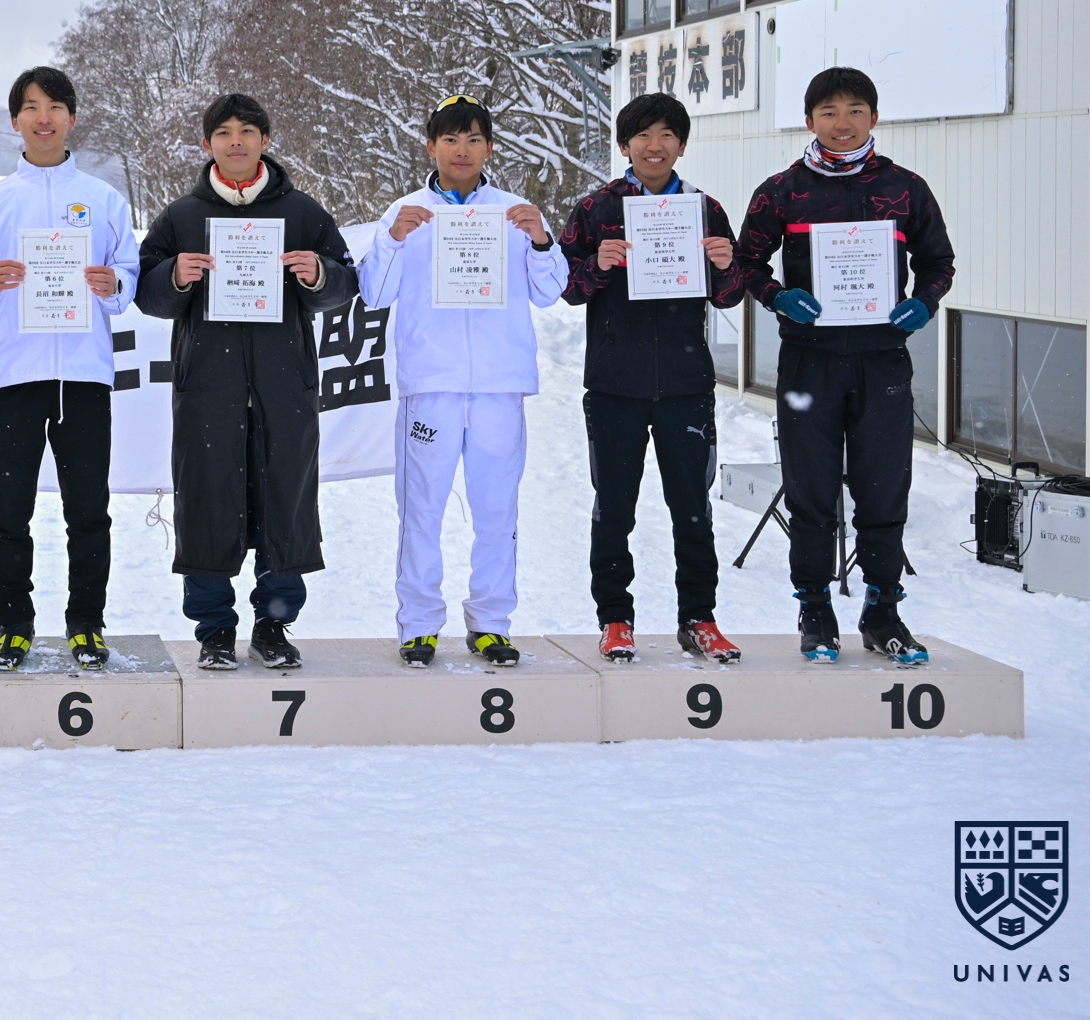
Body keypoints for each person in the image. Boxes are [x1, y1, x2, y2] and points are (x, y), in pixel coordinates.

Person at [735, 66, 953, 665]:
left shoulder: (905, 188)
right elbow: (747, 262)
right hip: (810, 362)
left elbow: (939, 262)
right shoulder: (782, 191)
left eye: (855, 110)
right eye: (828, 112)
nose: (842, 123)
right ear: (809, 120)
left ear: (874, 117)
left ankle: (883, 611)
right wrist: (778, 296)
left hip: (883, 361)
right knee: (811, 491)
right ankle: (815, 610)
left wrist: (923, 302)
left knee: (883, 490)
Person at [136, 93, 356, 671]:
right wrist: (174, 275)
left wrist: (319, 274)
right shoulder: (182, 216)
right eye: (224, 132)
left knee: (285, 496)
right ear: (207, 143)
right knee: (207, 495)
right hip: (208, 384)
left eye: (247, 131)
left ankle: (274, 623)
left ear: (265, 141)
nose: (236, 141)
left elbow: (344, 280)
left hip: (284, 383)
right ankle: (213, 628)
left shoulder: (302, 212)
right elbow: (146, 292)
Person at [359, 96, 567, 669]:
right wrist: (393, 239)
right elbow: (374, 293)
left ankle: (491, 623)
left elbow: (551, 291)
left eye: (474, 139)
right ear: (431, 146)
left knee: (497, 510)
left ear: (490, 148)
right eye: (450, 139)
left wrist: (542, 241)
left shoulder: (515, 213)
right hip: (432, 386)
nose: (462, 150)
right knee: (421, 510)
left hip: (499, 386)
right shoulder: (406, 212)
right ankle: (419, 624)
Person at [0, 66, 140, 669]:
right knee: (9, 511)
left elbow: (128, 278)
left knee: (88, 510)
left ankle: (86, 623)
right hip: (15, 375)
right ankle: (12, 623)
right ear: (15, 120)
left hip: (85, 375)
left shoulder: (104, 199)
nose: (44, 117)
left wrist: (113, 285)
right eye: (32, 107)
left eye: (56, 106)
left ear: (72, 119)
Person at [556, 92, 747, 665]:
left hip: (686, 384)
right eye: (642, 134)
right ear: (625, 145)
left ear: (681, 145)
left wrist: (724, 266)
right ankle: (615, 618)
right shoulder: (597, 209)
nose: (654, 145)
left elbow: (731, 295)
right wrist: (597, 265)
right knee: (614, 508)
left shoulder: (704, 209)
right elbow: (564, 288)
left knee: (693, 507)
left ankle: (700, 618)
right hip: (614, 384)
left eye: (666, 135)